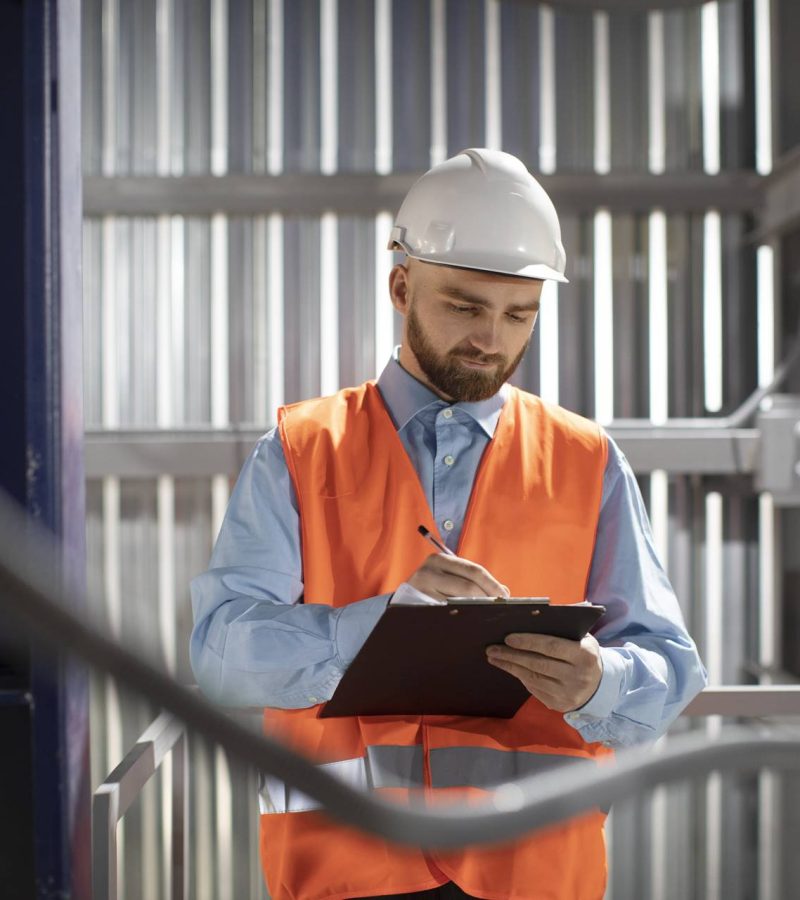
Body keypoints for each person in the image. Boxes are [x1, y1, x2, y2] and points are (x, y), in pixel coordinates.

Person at [190, 148, 707, 900]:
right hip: (346, 872)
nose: (491, 340)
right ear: (402, 286)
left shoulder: (586, 459)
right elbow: (219, 654)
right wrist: (373, 630)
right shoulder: (303, 450)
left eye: (518, 315)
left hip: (535, 874)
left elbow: (670, 665)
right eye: (466, 307)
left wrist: (602, 683)